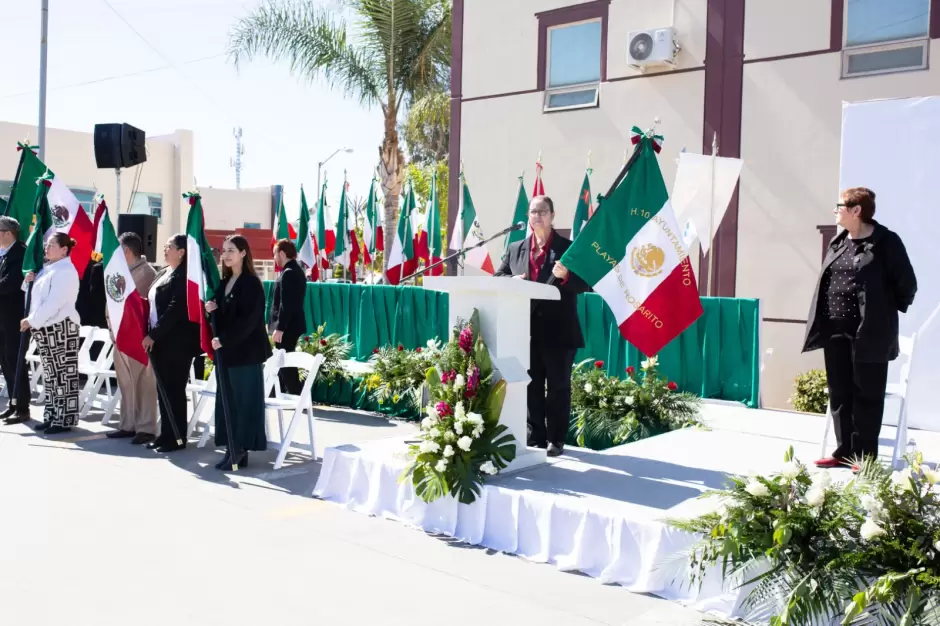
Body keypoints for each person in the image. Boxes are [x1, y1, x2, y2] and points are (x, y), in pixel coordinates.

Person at [803, 187, 917, 469]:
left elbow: (907, 284)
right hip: (835, 329)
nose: (835, 210)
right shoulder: (838, 241)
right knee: (840, 392)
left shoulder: (886, 242)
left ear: (856, 211)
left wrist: (884, 311)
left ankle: (865, 458)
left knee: (867, 393)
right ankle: (844, 451)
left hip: (870, 332)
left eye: (839, 206)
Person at [495, 196, 590, 457]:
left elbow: (588, 283)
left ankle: (555, 440)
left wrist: (567, 276)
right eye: (533, 212)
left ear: (552, 215)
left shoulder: (568, 249)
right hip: (525, 331)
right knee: (532, 386)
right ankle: (535, 435)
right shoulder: (516, 248)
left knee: (558, 388)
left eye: (543, 211)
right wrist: (512, 280)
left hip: (559, 332)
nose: (537, 216)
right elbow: (498, 277)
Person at [205, 235, 271, 471]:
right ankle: (230, 447)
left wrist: (224, 339)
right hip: (227, 352)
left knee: (243, 402)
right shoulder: (224, 283)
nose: (226, 255)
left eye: (232, 250)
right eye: (224, 251)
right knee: (227, 402)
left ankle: (241, 448)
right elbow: (222, 317)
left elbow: (250, 321)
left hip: (245, 352)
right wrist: (210, 310)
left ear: (244, 253)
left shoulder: (251, 283)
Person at [142, 234, 201, 453]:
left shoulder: (183, 276)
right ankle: (165, 434)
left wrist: (154, 334)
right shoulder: (163, 272)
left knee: (174, 390)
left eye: (169, 246)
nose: (165, 249)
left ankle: (177, 438)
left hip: (177, 343)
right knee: (163, 390)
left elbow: (175, 309)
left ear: (182, 252)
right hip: (160, 342)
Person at [22, 233, 81, 435]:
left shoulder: (65, 270)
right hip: (46, 326)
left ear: (64, 249)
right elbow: (36, 298)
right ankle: (52, 416)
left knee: (63, 374)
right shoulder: (48, 269)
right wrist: (29, 280)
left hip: (61, 326)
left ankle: (64, 419)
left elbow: (54, 302)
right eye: (46, 245)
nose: (47, 248)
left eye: (52, 245)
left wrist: (31, 320)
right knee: (50, 375)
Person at [107, 233, 159, 445]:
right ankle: (128, 424)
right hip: (119, 336)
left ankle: (145, 427)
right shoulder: (123, 272)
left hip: (137, 339)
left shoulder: (146, 273)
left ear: (126, 251)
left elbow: (140, 308)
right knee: (126, 384)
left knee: (143, 384)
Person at [0, 217, 31, 425]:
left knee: (16, 360)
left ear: (8, 233)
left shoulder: (20, 253)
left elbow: (10, 284)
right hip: (3, 317)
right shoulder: (6, 254)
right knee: (5, 362)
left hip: (15, 317)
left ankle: (22, 407)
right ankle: (12, 403)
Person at [270, 238, 308, 395]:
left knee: (285, 360)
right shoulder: (295, 270)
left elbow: (286, 304)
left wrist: (280, 328)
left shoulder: (289, 273)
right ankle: (277, 393)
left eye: (275, 254)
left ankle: (295, 394)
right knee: (283, 360)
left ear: (282, 253)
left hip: (288, 327)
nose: (274, 258)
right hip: (291, 325)